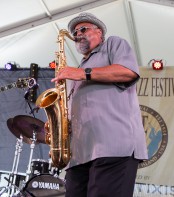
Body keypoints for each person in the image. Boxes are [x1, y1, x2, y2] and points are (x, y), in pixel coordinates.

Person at [51, 13, 148, 197]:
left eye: (83, 29)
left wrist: (81, 73)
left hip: (114, 147)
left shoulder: (113, 44)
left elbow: (128, 72)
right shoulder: (78, 69)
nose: (78, 33)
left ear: (100, 33)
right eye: (75, 31)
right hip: (80, 155)